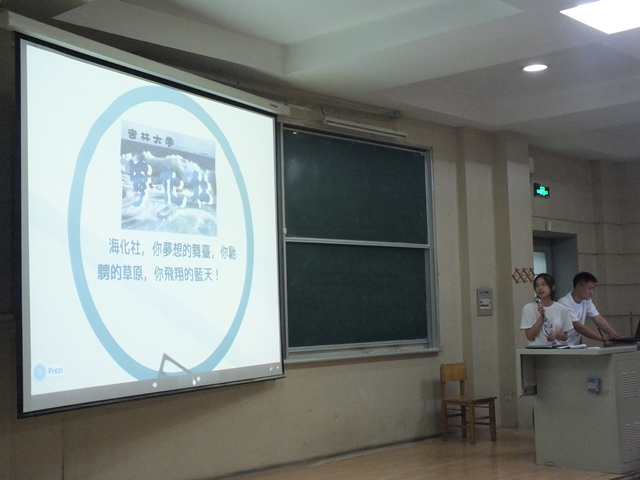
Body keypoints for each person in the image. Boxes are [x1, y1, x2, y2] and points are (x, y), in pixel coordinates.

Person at [557, 272, 621, 345]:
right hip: (559, 345)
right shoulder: (564, 303)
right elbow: (578, 327)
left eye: (593, 289)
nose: (591, 292)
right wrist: (604, 339)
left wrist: (615, 335)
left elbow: (598, 319)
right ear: (578, 287)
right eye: (589, 289)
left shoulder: (587, 301)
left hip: (573, 345)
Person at [520, 273, 572, 346]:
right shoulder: (528, 308)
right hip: (536, 349)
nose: (540, 288)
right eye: (537, 285)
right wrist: (541, 316)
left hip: (556, 349)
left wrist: (557, 334)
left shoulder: (561, 308)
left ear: (552, 287)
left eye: (543, 284)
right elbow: (530, 336)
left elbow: (565, 337)